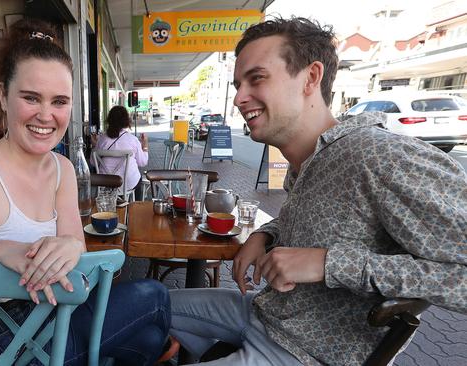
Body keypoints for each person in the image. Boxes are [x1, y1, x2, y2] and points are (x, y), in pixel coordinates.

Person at [169, 16, 467, 366]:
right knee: (152, 303)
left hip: (302, 352)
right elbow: (324, 219)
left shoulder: (378, 155)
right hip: (263, 314)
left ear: (310, 77)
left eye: (257, 79)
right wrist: (265, 235)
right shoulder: (310, 161)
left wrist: (329, 263)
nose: (239, 98)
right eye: (238, 84)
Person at [0, 19, 169, 366]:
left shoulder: (63, 170)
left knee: (147, 336)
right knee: (156, 297)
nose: (46, 115)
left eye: (59, 101)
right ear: (2, 96)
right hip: (13, 336)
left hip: (62, 313)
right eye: (31, 98)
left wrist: (72, 246)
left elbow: (77, 258)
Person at [92, 105, 149, 200]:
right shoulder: (132, 140)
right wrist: (145, 145)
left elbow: (93, 163)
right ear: (126, 121)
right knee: (138, 179)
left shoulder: (102, 139)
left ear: (109, 120)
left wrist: (94, 145)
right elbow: (142, 162)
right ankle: (134, 208)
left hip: (106, 183)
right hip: (128, 183)